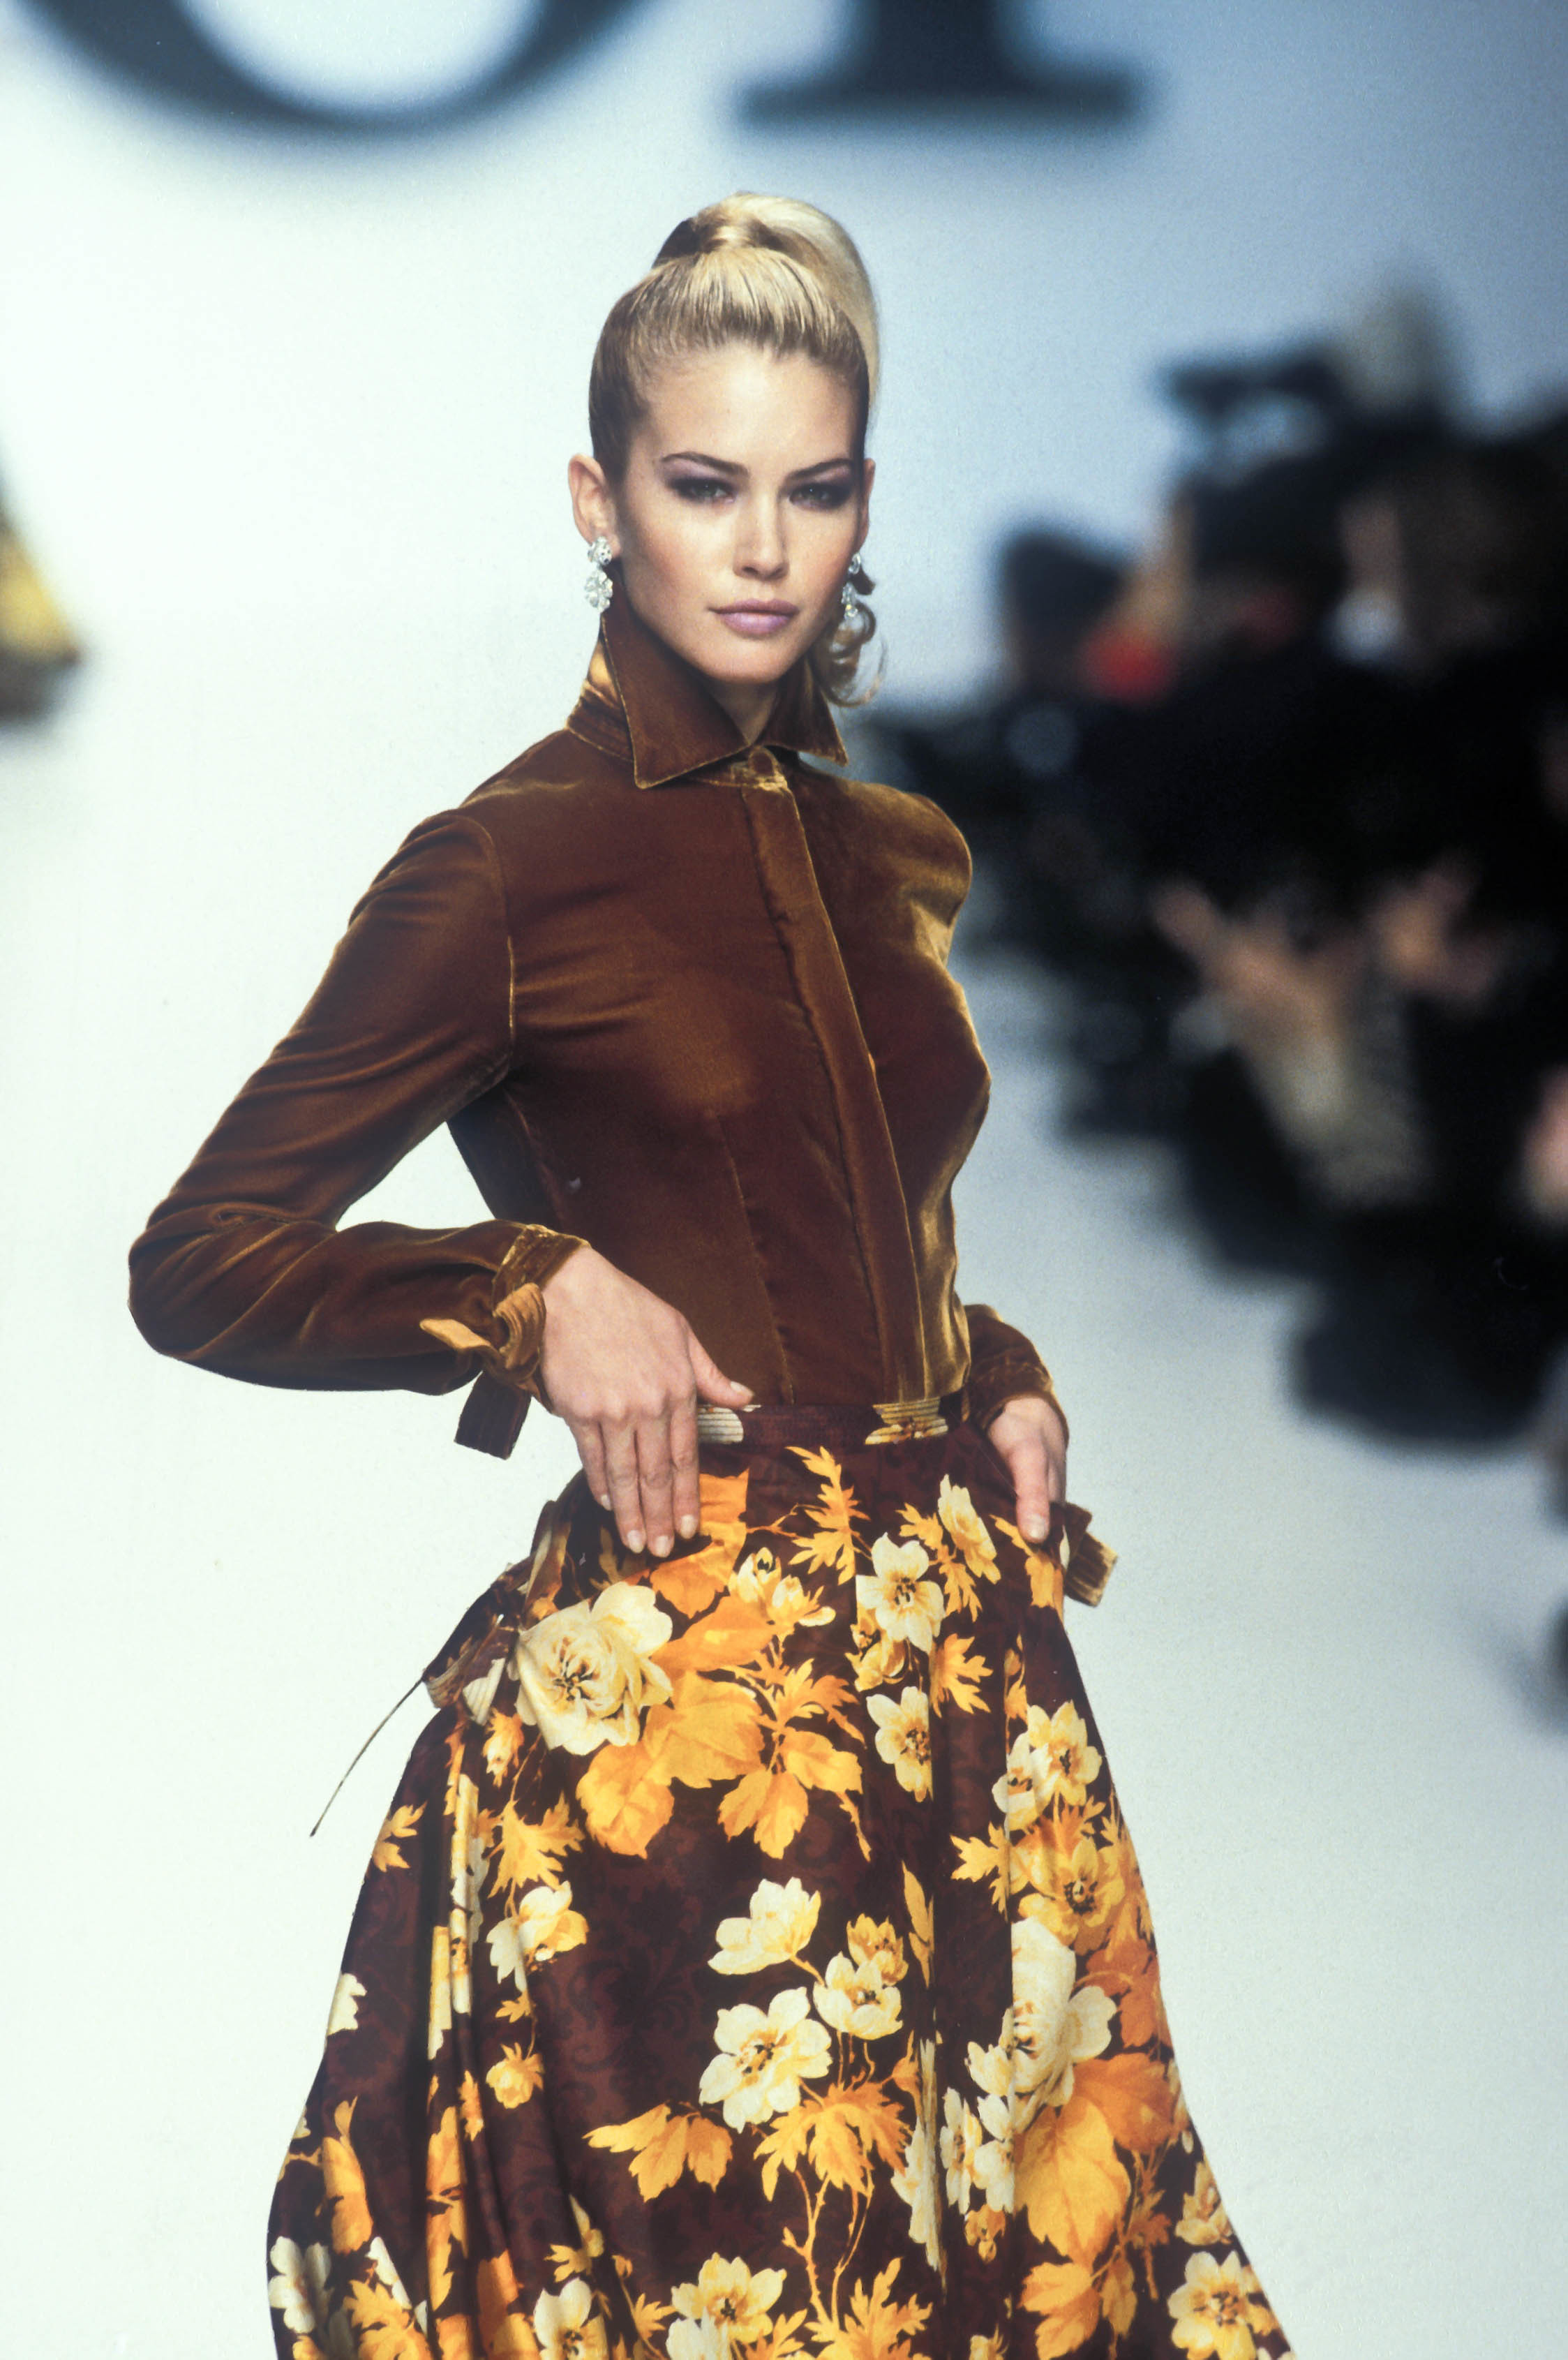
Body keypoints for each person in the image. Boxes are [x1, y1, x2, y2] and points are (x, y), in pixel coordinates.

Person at [129, 195, 1290, 2360]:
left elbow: (862, 1220)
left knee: (1041, 2292)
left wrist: (997, 1366)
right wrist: (529, 1289)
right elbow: (200, 1260)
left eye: (813, 489)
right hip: (692, 1722)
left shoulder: (893, 854)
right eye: (702, 485)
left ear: (864, 503)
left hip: (971, 1693)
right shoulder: (505, 865)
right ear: (601, 502)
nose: (764, 547)